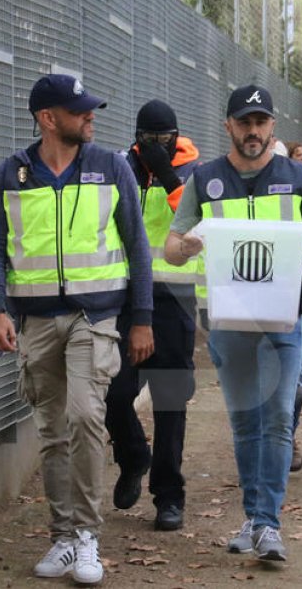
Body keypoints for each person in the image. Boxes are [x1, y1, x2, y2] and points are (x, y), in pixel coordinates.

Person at [0, 74, 155, 584]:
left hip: (95, 316)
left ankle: (86, 536)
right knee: (52, 431)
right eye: (79, 111)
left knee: (84, 416)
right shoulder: (11, 175)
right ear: (48, 118)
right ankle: (61, 535)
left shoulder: (111, 167)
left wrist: (141, 318)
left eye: (90, 109)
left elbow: (137, 246)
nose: (90, 116)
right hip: (33, 320)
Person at [163, 84, 302, 563]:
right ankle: (253, 516)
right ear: (229, 127)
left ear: (272, 128)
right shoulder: (204, 180)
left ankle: (268, 524)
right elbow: (171, 247)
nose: (254, 132)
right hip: (228, 319)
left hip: (284, 317)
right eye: (245, 123)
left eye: (261, 123)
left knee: (279, 418)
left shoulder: (300, 178)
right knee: (246, 423)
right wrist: (192, 244)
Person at [105, 100, 201, 531]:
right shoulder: (119, 168)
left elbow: (201, 227)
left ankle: (169, 497)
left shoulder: (197, 173)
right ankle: (132, 456)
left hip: (174, 301)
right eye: (149, 140)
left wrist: (168, 177)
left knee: (169, 402)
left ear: (176, 135)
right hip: (123, 301)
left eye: (165, 139)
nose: (157, 146)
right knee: (113, 390)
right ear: (137, 136)